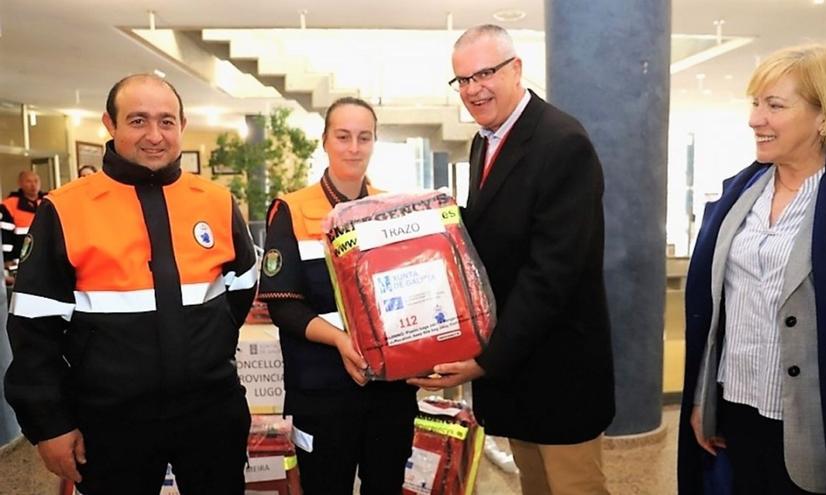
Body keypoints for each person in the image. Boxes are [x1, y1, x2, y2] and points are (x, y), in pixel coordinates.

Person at [3, 74, 257, 495]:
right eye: (138, 121)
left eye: (167, 121)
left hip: (211, 412)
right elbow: (33, 329)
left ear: (182, 125)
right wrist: (50, 423)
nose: (154, 135)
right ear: (110, 124)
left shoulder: (216, 201)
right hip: (110, 419)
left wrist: (206, 348)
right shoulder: (65, 210)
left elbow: (240, 291)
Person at [408, 25, 615, 495]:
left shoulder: (562, 142)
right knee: (535, 486)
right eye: (462, 80)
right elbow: (491, 235)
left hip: (560, 373)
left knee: (574, 487)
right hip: (518, 371)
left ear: (516, 68)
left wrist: (484, 358)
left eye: (485, 73)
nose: (473, 89)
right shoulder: (486, 140)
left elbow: (553, 274)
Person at [678, 44, 826, 495]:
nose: (755, 119)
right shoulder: (739, 192)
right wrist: (703, 399)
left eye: (774, 105)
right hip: (737, 409)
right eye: (755, 103)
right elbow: (719, 311)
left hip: (824, 424)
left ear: (825, 114)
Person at [257, 97, 417, 495]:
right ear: (324, 141)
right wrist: (341, 340)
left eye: (364, 137)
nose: (353, 147)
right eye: (343, 136)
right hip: (321, 389)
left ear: (374, 142)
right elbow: (283, 304)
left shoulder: (392, 209)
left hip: (388, 389)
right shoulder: (291, 210)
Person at [1, 170, 47, 264]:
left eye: (36, 181)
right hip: (21, 261)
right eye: (29, 181)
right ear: (20, 183)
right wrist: (7, 259)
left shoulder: (47, 202)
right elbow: (5, 236)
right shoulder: (9, 204)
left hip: (46, 259)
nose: (33, 185)